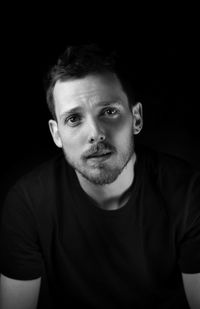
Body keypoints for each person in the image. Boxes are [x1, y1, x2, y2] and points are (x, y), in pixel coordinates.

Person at [0, 43, 200, 309]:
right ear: (56, 134)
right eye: (73, 119)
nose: (95, 133)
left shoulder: (188, 193)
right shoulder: (28, 203)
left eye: (109, 111)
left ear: (136, 118)